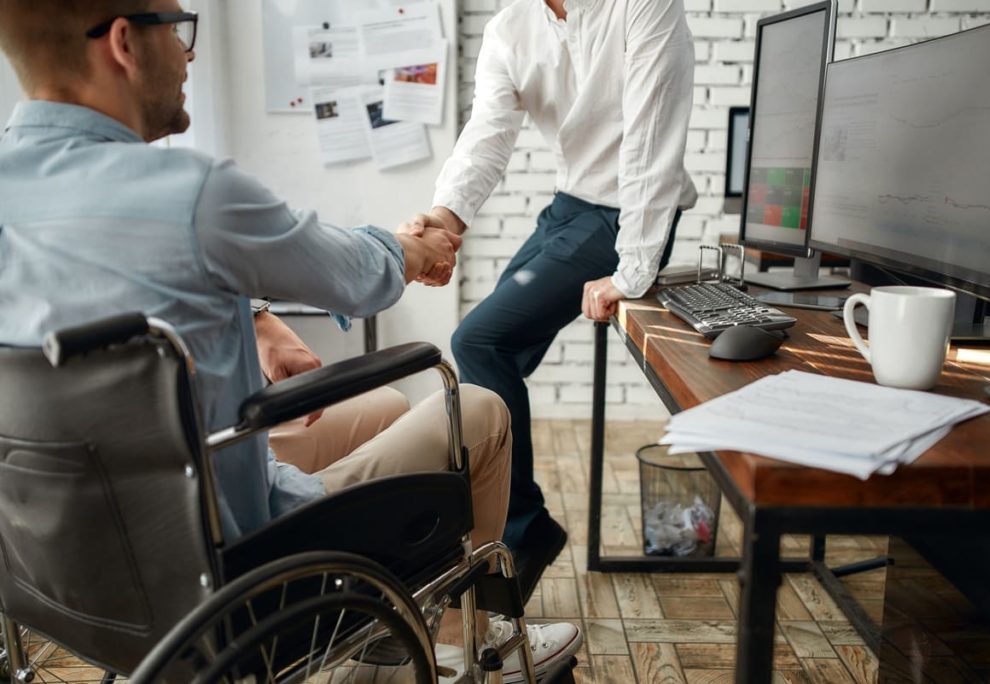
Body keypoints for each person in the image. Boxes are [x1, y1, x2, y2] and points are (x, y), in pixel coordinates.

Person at [0, 1, 580, 679]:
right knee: (477, 410)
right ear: (125, 42)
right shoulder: (192, 194)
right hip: (229, 588)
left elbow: (88, 283)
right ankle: (475, 643)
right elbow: (356, 273)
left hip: (59, 577)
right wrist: (413, 249)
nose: (188, 55)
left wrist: (253, 320)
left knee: (383, 410)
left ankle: (381, 642)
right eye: (177, 28)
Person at [412, 0, 698, 597]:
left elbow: (651, 136)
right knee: (492, 360)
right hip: (569, 209)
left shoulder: (643, 6)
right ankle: (479, 527)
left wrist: (633, 268)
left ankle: (525, 527)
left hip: (629, 212)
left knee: (477, 339)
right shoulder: (510, 28)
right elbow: (487, 134)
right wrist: (442, 221)